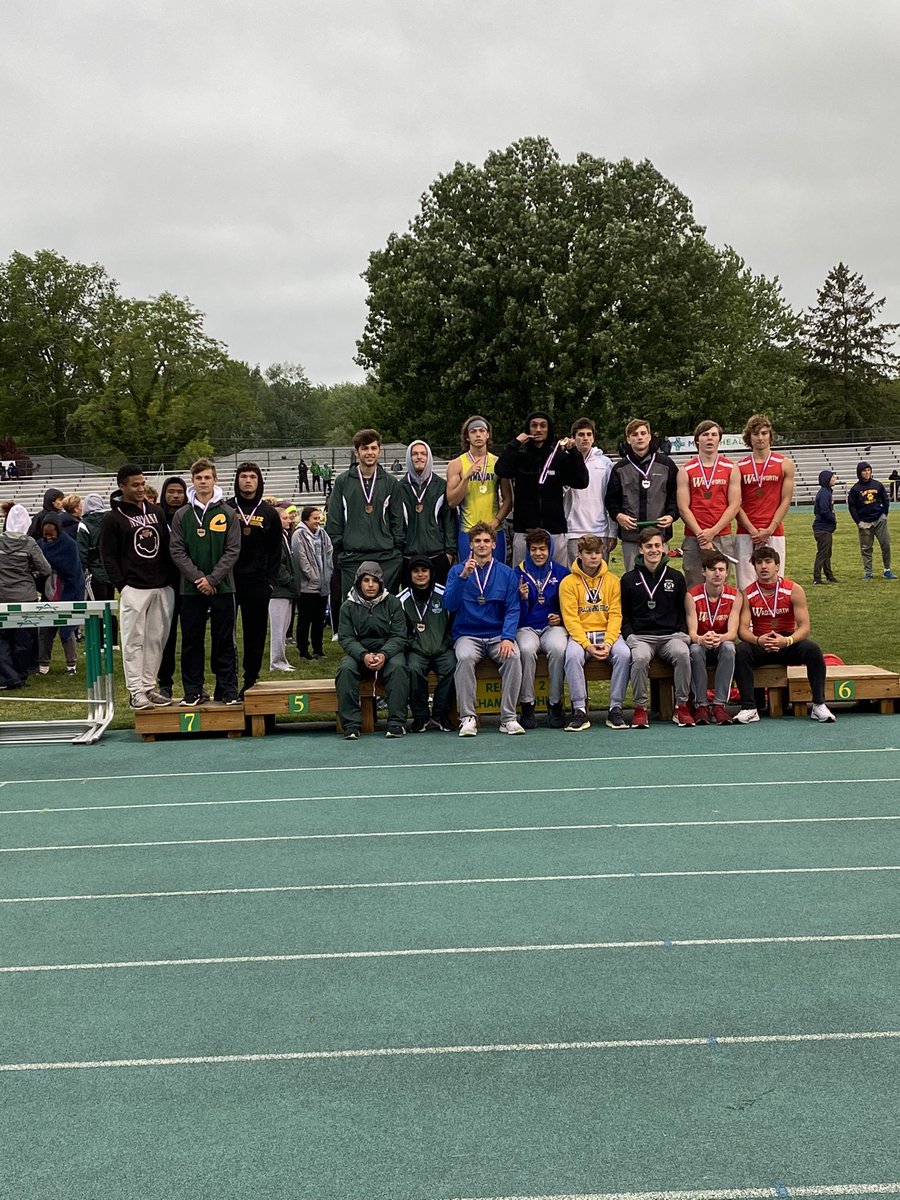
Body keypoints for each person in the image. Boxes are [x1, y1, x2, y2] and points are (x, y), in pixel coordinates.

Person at [99, 464, 174, 709]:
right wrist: (122, 584)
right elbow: (107, 555)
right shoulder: (112, 518)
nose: (141, 488)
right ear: (122, 486)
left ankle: (149, 686)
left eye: (143, 483)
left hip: (161, 585)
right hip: (133, 587)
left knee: (156, 639)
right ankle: (135, 691)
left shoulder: (157, 512)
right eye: (135, 485)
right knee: (133, 640)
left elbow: (166, 546)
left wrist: (169, 578)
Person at [733, 546, 835, 723]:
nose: (763, 566)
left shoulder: (793, 589)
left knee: (813, 650)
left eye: (768, 562)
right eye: (759, 563)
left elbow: (804, 627)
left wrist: (787, 640)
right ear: (754, 567)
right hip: (761, 643)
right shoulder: (747, 593)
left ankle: (819, 704)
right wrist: (758, 640)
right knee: (740, 651)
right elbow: (742, 629)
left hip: (786, 641)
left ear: (777, 565)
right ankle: (749, 707)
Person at [169, 458, 241, 706]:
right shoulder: (182, 515)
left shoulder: (228, 513)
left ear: (215, 480)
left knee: (224, 640)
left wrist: (213, 579)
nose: (203, 482)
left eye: (207, 477)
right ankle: (193, 691)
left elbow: (233, 550)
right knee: (191, 641)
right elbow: (177, 551)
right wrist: (199, 579)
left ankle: (228, 689)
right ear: (193, 481)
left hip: (223, 587)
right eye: (198, 478)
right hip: (190, 588)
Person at [442, 521, 524, 736]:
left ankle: (508, 717)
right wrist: (463, 578)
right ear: (470, 545)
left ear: (494, 545)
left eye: (486, 541)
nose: (482, 545)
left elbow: (513, 608)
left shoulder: (507, 573)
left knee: (514, 657)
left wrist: (507, 637)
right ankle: (468, 717)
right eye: (477, 541)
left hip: (497, 635)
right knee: (465, 657)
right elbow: (449, 605)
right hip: (468, 635)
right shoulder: (457, 571)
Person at [494, 410, 589, 565]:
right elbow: (501, 469)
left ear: (549, 429)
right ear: (528, 429)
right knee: (522, 578)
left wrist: (574, 452)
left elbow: (581, 482)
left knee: (557, 578)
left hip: (554, 529)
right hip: (525, 529)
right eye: (534, 425)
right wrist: (515, 443)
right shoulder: (520, 458)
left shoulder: (560, 458)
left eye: (543, 426)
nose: (538, 429)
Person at [620, 526, 693, 728]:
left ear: (663, 548)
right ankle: (640, 709)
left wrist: (682, 632)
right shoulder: (628, 579)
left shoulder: (676, 577)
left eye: (657, 545)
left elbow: (682, 611)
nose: (654, 550)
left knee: (682, 653)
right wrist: (629, 635)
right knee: (640, 658)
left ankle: (681, 707)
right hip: (642, 637)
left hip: (670, 637)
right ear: (640, 549)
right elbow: (624, 614)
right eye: (649, 546)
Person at [559, 533, 631, 731]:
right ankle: (580, 710)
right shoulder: (568, 583)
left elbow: (616, 615)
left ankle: (615, 708)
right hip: (581, 635)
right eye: (589, 553)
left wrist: (608, 642)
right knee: (572, 655)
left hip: (607, 633)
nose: (594, 557)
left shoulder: (612, 580)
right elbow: (571, 619)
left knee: (624, 654)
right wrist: (587, 645)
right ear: (579, 554)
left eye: (598, 553)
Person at [335, 561, 409, 739]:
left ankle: (396, 723)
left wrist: (384, 654)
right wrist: (363, 655)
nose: (370, 585)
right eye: (366, 580)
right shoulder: (348, 606)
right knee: (345, 669)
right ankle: (351, 725)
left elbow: (399, 636)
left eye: (374, 581)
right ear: (359, 583)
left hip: (388, 651)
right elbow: (346, 637)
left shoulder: (393, 603)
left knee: (399, 667)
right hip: (359, 653)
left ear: (381, 583)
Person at [226, 463, 282, 695]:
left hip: (258, 582)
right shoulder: (226, 509)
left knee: (255, 633)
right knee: (225, 633)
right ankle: (226, 682)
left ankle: (250, 679)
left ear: (259, 481)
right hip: (229, 581)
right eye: (243, 476)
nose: (248, 481)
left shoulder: (268, 513)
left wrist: (269, 581)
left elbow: (276, 550)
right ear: (237, 480)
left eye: (252, 477)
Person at [326, 429, 403, 595]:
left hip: (385, 556)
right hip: (352, 556)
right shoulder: (343, 482)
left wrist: (396, 548)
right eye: (365, 448)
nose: (370, 452)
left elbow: (397, 521)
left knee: (384, 610)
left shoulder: (390, 482)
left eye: (374, 448)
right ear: (357, 452)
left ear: (379, 451)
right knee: (353, 610)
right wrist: (340, 549)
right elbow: (334, 520)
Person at [605, 419, 679, 573]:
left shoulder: (666, 464)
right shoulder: (620, 468)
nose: (639, 437)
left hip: (659, 535)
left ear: (650, 436)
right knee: (634, 581)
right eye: (635, 434)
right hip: (631, 537)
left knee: (659, 580)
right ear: (628, 439)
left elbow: (675, 497)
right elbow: (611, 499)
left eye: (643, 433)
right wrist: (618, 516)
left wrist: (671, 516)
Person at [514, 528, 570, 729]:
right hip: (526, 627)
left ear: (550, 550)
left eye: (543, 549)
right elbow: (513, 613)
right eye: (534, 549)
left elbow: (571, 605)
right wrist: (522, 599)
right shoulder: (517, 574)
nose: (538, 554)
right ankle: (527, 705)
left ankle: (555, 703)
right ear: (528, 551)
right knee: (526, 650)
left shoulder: (562, 573)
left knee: (558, 648)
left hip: (551, 627)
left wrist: (561, 618)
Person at [676, 420, 741, 587]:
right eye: (705, 434)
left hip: (722, 535)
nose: (709, 438)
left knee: (720, 585)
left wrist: (712, 532)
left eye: (714, 434)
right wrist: (702, 535)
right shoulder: (686, 470)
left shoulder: (731, 468)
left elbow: (734, 505)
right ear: (697, 440)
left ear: (720, 439)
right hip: (693, 537)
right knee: (694, 585)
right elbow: (683, 507)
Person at [735, 413, 795, 590]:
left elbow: (786, 500)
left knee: (774, 583)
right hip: (745, 532)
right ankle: (748, 619)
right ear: (749, 438)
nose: (760, 438)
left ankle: (772, 618)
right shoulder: (738, 467)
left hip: (774, 531)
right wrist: (753, 530)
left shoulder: (785, 464)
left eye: (764, 433)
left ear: (770, 435)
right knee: (746, 586)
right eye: (755, 434)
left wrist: (769, 529)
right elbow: (735, 504)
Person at [398, 555, 455, 732]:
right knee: (413, 669)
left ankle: (440, 715)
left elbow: (452, 624)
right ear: (410, 574)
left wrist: (445, 643)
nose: (420, 574)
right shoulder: (401, 600)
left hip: (441, 649)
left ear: (431, 573)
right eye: (416, 571)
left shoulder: (444, 594)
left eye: (424, 570)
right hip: (417, 651)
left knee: (451, 666)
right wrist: (414, 644)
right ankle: (420, 717)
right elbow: (400, 632)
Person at [445, 415, 512, 564]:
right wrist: (466, 478)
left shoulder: (498, 462)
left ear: (488, 435)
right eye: (473, 431)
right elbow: (452, 501)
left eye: (482, 430)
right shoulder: (457, 464)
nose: (478, 434)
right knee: (469, 576)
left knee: (496, 575)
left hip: (494, 530)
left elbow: (508, 499)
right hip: (468, 530)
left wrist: (496, 521)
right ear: (467, 437)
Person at [686, 550, 742, 725]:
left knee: (729, 648)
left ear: (727, 573)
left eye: (721, 569)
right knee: (694, 650)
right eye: (712, 569)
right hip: (701, 643)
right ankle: (701, 704)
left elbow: (733, 633)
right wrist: (702, 639)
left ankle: (719, 705)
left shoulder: (735, 596)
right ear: (704, 572)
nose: (717, 573)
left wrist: (720, 637)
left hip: (721, 642)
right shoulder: (692, 595)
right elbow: (692, 633)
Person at [0, 504, 50, 689]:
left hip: (2, 595)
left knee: (3, 638)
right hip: (24, 596)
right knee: (24, 638)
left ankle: (6, 675)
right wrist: (31, 573)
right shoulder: (29, 543)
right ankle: (20, 675)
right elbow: (45, 569)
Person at [398, 439, 457, 585]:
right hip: (408, 556)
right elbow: (395, 523)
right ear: (409, 458)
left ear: (429, 457)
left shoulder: (441, 485)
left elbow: (449, 520)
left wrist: (449, 552)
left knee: (438, 602)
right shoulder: (398, 488)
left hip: (437, 554)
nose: (419, 457)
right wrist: (398, 552)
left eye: (423, 454)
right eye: (415, 454)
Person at [36, 512, 85, 676]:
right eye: (46, 535)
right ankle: (43, 665)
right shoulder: (40, 545)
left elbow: (72, 569)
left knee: (67, 629)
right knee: (45, 630)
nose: (49, 538)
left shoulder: (69, 545)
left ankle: (71, 664)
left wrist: (50, 567)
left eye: (52, 534)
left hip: (67, 591)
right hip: (48, 593)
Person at [563, 417, 616, 566]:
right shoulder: (565, 461)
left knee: (598, 577)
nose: (585, 438)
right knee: (574, 577)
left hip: (599, 530)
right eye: (581, 434)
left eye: (588, 434)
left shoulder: (605, 464)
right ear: (573, 438)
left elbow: (611, 499)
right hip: (572, 530)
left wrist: (612, 532)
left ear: (593, 438)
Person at [156, 476, 188, 700]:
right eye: (171, 491)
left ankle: (192, 684)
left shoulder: (190, 516)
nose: (175, 495)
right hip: (163, 583)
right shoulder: (156, 517)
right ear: (164, 494)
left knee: (191, 637)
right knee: (165, 637)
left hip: (187, 584)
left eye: (179, 491)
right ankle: (164, 683)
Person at [76, 493, 119, 646]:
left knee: (97, 607)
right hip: (111, 570)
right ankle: (113, 641)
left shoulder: (84, 524)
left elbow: (82, 551)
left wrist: (82, 569)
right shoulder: (110, 519)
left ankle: (100, 642)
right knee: (110, 606)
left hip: (94, 571)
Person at [292, 505, 333, 659]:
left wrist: (327, 574)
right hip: (307, 586)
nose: (318, 521)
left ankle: (318, 649)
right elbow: (300, 559)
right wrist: (313, 576)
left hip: (323, 585)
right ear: (306, 519)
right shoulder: (299, 535)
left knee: (319, 620)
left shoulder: (322, 534)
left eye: (319, 517)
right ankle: (303, 650)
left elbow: (329, 552)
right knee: (305, 619)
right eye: (315, 518)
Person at [847, 461, 897, 580]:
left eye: (868, 470)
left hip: (879, 520)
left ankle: (887, 570)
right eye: (864, 470)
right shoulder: (855, 489)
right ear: (859, 473)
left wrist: (884, 514)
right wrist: (858, 522)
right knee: (866, 548)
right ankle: (868, 572)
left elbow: (885, 499)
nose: (867, 472)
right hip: (865, 522)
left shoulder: (877, 485)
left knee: (886, 545)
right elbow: (852, 506)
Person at [269, 503, 301, 672]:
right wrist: (288, 579)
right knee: (278, 628)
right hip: (278, 589)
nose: (289, 520)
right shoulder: (273, 537)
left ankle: (282, 660)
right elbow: (276, 562)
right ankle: (276, 662)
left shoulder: (283, 535)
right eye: (285, 518)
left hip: (286, 588)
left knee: (283, 628)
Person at [811, 470, 838, 585]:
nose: (835, 478)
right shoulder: (824, 493)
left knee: (827, 553)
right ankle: (817, 578)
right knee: (822, 553)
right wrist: (832, 519)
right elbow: (824, 510)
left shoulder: (826, 492)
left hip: (825, 528)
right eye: (832, 477)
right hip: (822, 529)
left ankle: (829, 576)